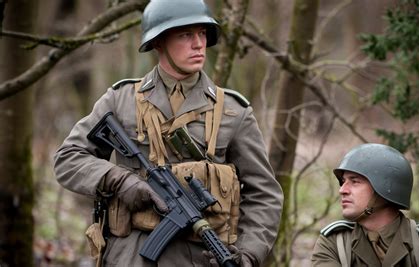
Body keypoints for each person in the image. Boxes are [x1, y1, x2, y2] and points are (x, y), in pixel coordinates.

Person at [53, 0, 283, 266]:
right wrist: (118, 180)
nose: (199, 44)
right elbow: (68, 158)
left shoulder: (233, 111)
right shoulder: (121, 100)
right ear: (159, 42)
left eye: (202, 33)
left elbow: (264, 193)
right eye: (186, 35)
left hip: (200, 258)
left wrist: (249, 253)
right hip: (131, 255)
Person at [311, 143, 419, 267]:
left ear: (385, 188)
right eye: (343, 182)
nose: (342, 190)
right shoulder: (335, 242)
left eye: (355, 181)